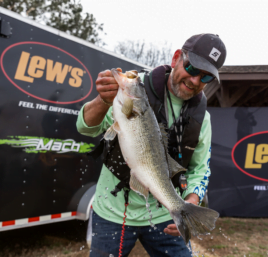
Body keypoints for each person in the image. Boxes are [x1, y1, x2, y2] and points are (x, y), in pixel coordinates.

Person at [76, 33, 227, 257]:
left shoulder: (202, 117)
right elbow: (85, 127)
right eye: (193, 69)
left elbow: (199, 169)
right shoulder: (135, 88)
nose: (195, 81)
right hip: (113, 211)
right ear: (177, 57)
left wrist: (187, 207)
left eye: (205, 78)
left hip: (165, 215)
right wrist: (103, 100)